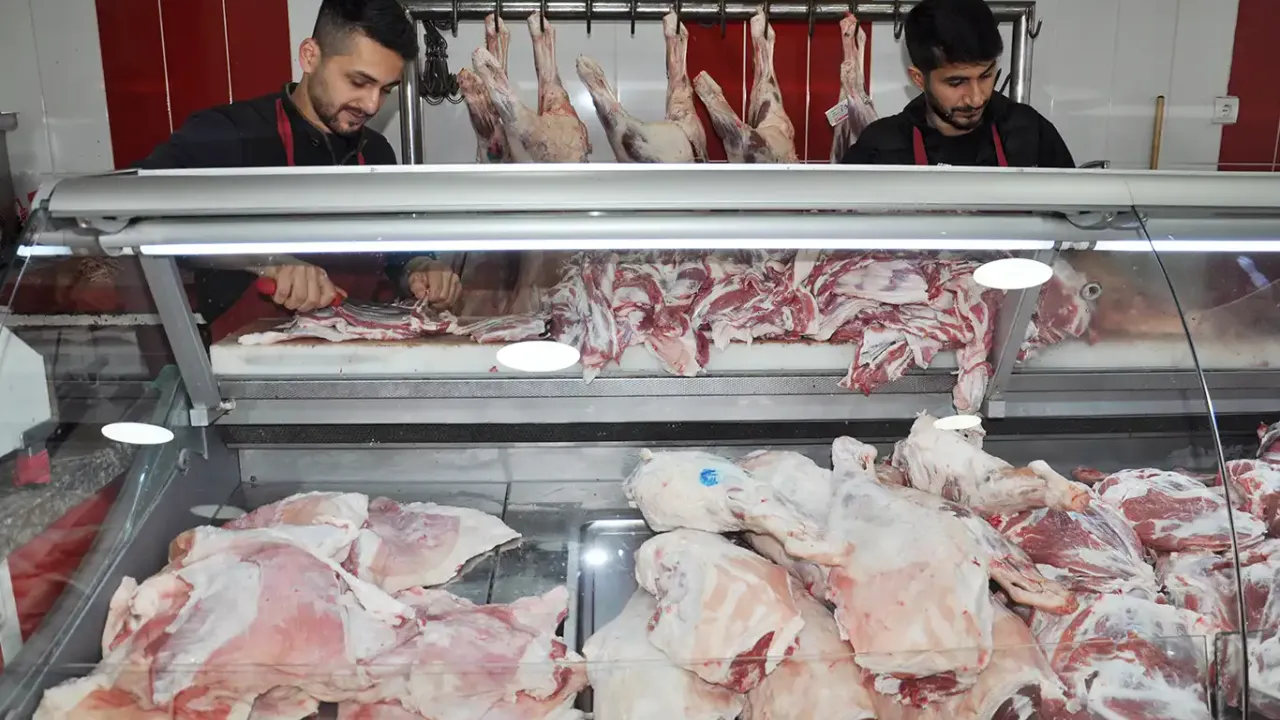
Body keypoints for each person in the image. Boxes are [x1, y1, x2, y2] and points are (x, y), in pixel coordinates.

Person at [137, 0, 460, 327]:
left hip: (361, 345)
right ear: (310, 56)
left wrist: (419, 267)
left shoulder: (376, 153)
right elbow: (139, 210)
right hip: (252, 349)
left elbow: (395, 252)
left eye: (386, 89)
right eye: (359, 82)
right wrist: (267, 261)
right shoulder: (228, 133)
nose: (372, 105)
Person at [840, 0, 1074, 168]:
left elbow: (1073, 218)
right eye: (956, 83)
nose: (976, 98)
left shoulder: (1030, 132)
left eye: (986, 76)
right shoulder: (880, 148)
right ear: (919, 79)